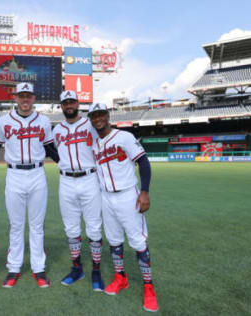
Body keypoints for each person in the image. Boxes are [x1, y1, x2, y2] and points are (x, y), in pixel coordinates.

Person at [88, 103, 159, 312]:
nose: (98, 119)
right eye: (94, 116)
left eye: (101, 114)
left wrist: (144, 191)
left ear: (108, 116)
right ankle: (121, 278)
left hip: (128, 194)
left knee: (137, 241)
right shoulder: (94, 144)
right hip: (106, 197)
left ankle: (148, 287)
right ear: (91, 119)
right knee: (114, 240)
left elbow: (143, 162)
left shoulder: (125, 137)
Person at [0, 82, 59, 288]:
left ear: (33, 98)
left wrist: (66, 165)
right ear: (16, 97)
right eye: (21, 96)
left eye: (28, 96)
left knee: (36, 225)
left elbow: (50, 148)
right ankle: (13, 268)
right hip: (14, 174)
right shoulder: (4, 121)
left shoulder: (43, 120)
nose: (25, 99)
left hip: (37, 173)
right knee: (16, 225)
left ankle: (38, 268)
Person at [52, 91, 104, 291]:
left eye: (72, 101)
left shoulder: (91, 125)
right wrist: (63, 163)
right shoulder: (56, 130)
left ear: (78, 103)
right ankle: (77, 268)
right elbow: (52, 150)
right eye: (65, 102)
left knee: (93, 227)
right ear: (62, 106)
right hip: (66, 181)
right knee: (71, 228)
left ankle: (96, 271)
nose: (69, 105)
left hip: (89, 178)